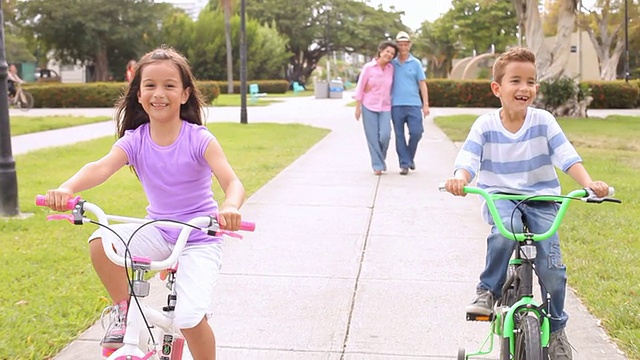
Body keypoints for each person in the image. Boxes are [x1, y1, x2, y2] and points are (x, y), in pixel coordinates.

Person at [43, 46, 245, 360]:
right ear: (139, 95)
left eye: (169, 85)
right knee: (102, 241)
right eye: (149, 85)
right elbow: (101, 167)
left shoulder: (199, 138)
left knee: (189, 318)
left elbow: (231, 181)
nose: (158, 93)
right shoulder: (136, 140)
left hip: (198, 238)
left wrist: (230, 207)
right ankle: (124, 311)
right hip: (158, 231)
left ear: (184, 94)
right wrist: (66, 188)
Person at [444, 47, 610, 360]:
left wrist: (589, 185)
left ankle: (557, 328)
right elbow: (468, 158)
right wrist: (460, 178)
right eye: (516, 81)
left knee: (552, 268)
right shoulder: (485, 125)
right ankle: (487, 291)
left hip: (542, 198)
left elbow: (566, 156)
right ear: (497, 88)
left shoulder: (543, 121)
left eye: (531, 82)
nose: (524, 88)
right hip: (502, 197)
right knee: (505, 232)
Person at [353, 40, 398, 175]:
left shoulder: (391, 69)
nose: (389, 55)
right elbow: (361, 86)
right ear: (381, 51)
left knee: (385, 135)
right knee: (372, 137)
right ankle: (377, 165)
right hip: (369, 106)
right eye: (387, 51)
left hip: (385, 107)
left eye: (392, 53)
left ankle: (380, 159)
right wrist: (357, 107)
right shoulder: (368, 67)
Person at [391, 31, 430, 175]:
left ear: (410, 45)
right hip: (396, 105)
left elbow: (422, 84)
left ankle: (409, 157)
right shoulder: (392, 63)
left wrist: (425, 104)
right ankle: (404, 164)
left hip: (414, 104)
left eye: (405, 45)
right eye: (400, 45)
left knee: (416, 132)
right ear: (397, 46)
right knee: (399, 135)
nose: (403, 48)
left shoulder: (416, 63)